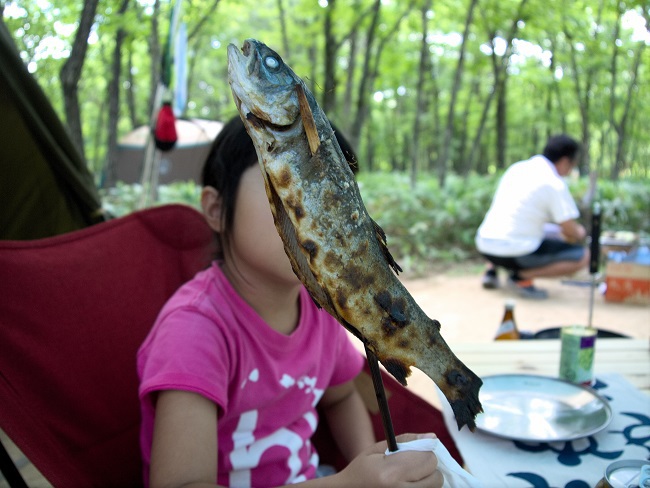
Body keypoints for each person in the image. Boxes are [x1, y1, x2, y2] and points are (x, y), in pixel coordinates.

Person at [137, 116, 444, 488]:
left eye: (335, 194)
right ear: (217, 210)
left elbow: (342, 395)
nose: (317, 213)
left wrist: (375, 465)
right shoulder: (195, 332)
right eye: (287, 183)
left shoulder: (323, 312)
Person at [475, 134, 590, 299]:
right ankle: (521, 277)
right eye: (572, 165)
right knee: (584, 256)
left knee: (517, 227)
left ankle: (491, 270)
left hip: (484, 245)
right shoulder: (554, 182)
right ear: (565, 161)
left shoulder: (517, 168)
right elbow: (570, 230)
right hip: (516, 253)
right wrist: (581, 232)